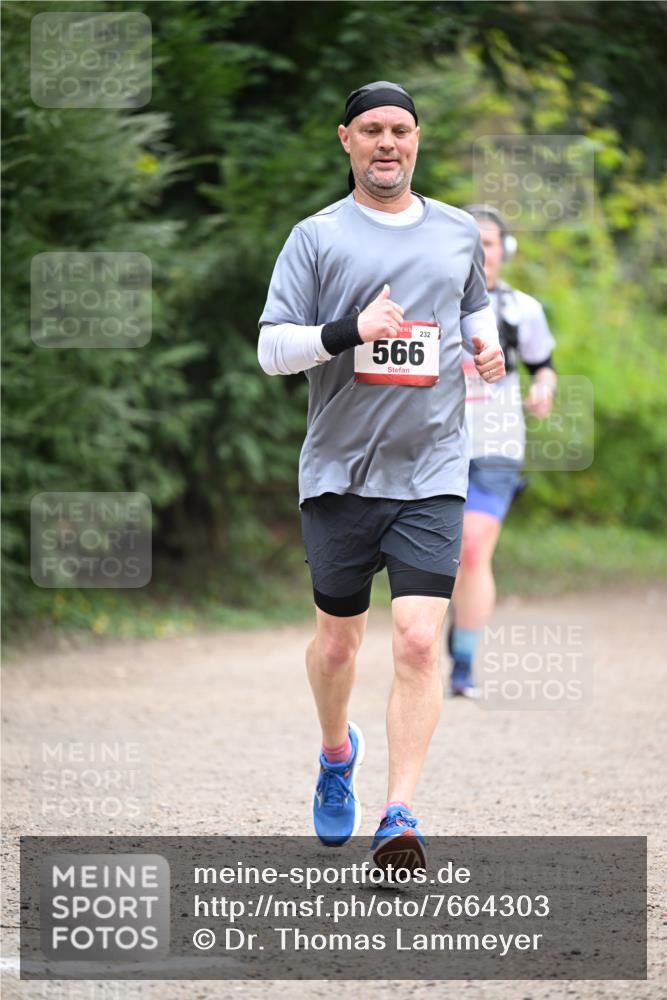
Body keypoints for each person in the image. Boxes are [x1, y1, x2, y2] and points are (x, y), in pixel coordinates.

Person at [257, 81, 505, 872]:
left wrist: (486, 347)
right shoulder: (316, 237)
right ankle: (337, 753)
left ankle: (398, 814)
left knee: (418, 639)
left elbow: (474, 306)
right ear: (346, 140)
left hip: (431, 469)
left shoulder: (456, 230)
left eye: (399, 129)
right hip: (339, 473)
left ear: (416, 139)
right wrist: (348, 331)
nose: (386, 143)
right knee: (337, 647)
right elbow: (271, 350)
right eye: (371, 130)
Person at [447, 206, 557, 697]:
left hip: (497, 445)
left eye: (488, 243)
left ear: (503, 251)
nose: (479, 252)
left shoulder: (522, 310)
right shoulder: (432, 302)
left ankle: (463, 663)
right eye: (470, 242)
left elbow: (543, 364)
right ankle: (442, 631)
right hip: (436, 445)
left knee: (473, 549)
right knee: (444, 556)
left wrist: (544, 388)